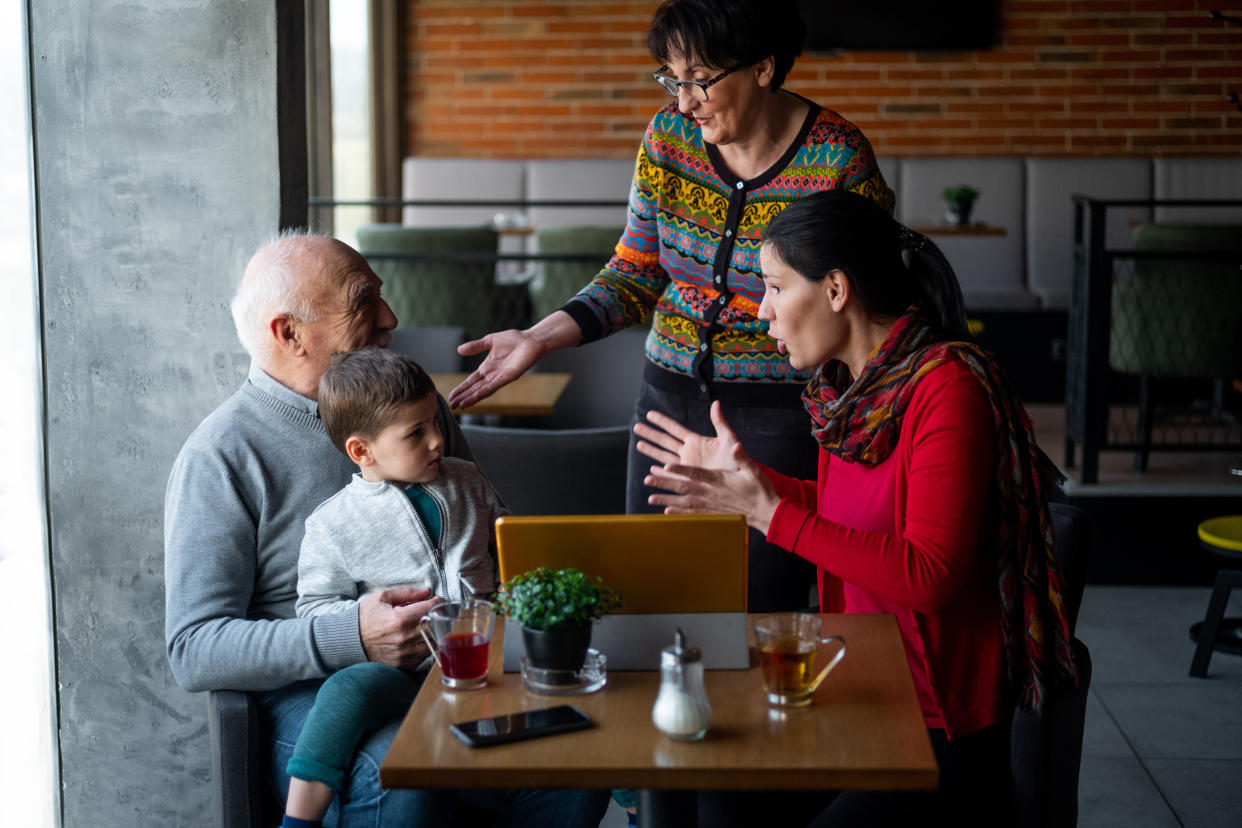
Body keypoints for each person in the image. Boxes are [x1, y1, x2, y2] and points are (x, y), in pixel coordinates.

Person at [634, 190, 1079, 827]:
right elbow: (851, 513)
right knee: (715, 804)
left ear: (836, 289)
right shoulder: (849, 396)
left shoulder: (944, 389)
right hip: (862, 689)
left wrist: (769, 516)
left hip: (936, 726)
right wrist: (753, 485)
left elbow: (928, 573)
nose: (764, 314)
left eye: (776, 288)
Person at [448, 0, 894, 616]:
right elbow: (635, 271)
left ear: (764, 67)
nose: (684, 101)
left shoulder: (838, 159)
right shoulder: (669, 139)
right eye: (672, 78)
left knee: (758, 606)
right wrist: (541, 337)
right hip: (668, 404)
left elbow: (865, 302)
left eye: (700, 80)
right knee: (652, 594)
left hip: (779, 417)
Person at [164, 232, 609, 827]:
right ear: (289, 333)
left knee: (572, 748)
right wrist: (353, 637)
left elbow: (475, 534)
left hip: (460, 662)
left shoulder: (418, 412)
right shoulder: (221, 454)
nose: (391, 317)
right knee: (403, 767)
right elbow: (194, 648)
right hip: (315, 695)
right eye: (363, 299)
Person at [280, 347, 507, 828]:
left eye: (436, 423)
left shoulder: (467, 480)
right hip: (404, 672)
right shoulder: (332, 525)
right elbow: (314, 609)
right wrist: (368, 616)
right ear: (362, 451)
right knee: (344, 691)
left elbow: (510, 544)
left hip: (488, 655)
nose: (436, 441)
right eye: (416, 433)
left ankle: (637, 804)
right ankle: (298, 822)